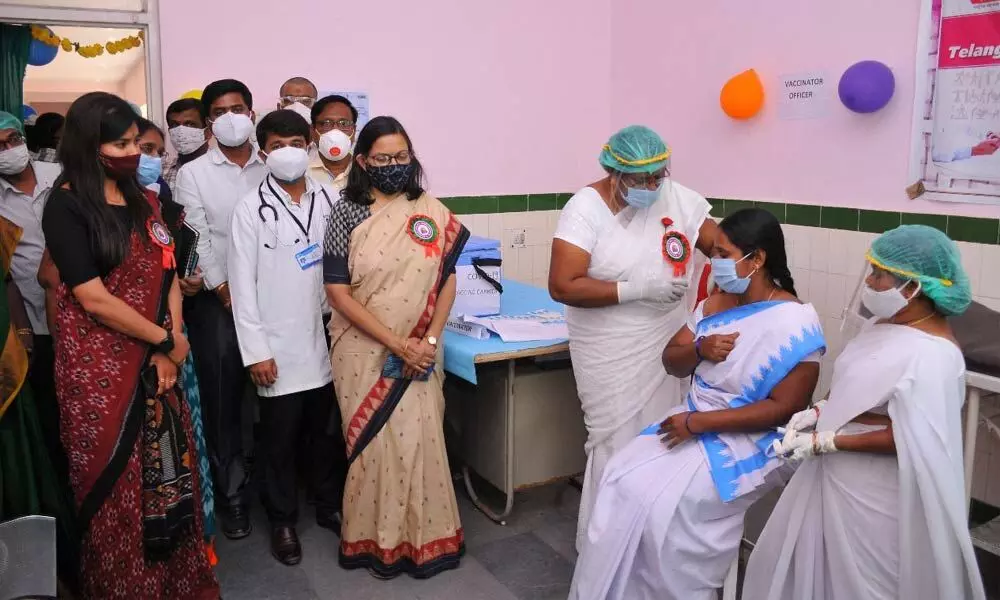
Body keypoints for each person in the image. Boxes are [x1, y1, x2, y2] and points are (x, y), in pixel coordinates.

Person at [569, 208, 824, 600]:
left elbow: (783, 410)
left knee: (667, 510)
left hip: (750, 437)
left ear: (756, 260)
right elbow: (671, 360)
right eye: (713, 254)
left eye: (723, 255)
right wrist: (700, 349)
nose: (714, 264)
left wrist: (699, 424)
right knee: (620, 477)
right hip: (690, 420)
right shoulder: (715, 305)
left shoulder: (796, 323)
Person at [743, 224, 987, 600]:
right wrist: (820, 410)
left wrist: (827, 442)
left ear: (915, 287)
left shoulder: (935, 356)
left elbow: (912, 437)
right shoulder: (880, 327)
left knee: (868, 582)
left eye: (879, 275)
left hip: (877, 493)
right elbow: (855, 385)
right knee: (820, 573)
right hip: (836, 477)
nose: (869, 282)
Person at [40, 91, 218, 599]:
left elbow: (167, 275)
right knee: (114, 485)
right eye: (118, 144)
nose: (131, 153)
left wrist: (171, 344)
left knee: (167, 472)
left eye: (134, 142)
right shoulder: (67, 204)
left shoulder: (148, 202)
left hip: (159, 358)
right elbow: (92, 297)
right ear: (89, 144)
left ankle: (176, 585)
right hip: (98, 372)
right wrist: (162, 338)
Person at [548, 125, 719, 549]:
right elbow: (563, 285)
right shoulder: (584, 209)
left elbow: (720, 243)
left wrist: (747, 262)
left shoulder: (676, 197)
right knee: (617, 441)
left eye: (658, 175)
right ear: (614, 172)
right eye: (640, 179)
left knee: (665, 435)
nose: (652, 185)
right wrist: (634, 289)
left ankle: (654, 542)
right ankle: (605, 548)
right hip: (609, 348)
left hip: (666, 338)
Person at [324, 116, 468, 579]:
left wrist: (426, 341)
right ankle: (374, 542)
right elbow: (337, 292)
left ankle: (428, 540)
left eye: (401, 157)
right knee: (374, 448)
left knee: (422, 443)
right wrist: (397, 344)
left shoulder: (432, 211)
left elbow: (447, 279)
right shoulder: (346, 211)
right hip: (363, 352)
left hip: (422, 350)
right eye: (383, 158)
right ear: (363, 161)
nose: (393, 165)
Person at [228, 109, 344, 565]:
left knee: (324, 432)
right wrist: (256, 351)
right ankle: (281, 520)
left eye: (297, 142)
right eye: (278, 145)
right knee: (278, 440)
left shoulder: (330, 197)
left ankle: (327, 504)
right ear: (263, 152)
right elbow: (241, 286)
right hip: (278, 345)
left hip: (329, 337)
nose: (289, 152)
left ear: (310, 145)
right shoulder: (249, 208)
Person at [175, 78, 267, 540]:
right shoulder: (193, 173)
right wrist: (226, 289)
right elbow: (197, 236)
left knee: (278, 395)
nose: (229, 117)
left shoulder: (272, 164)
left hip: (274, 299)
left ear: (251, 112)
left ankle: (277, 487)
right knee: (223, 398)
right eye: (218, 111)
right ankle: (231, 496)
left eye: (237, 108)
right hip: (218, 300)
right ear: (209, 121)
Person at [136, 116, 218, 552]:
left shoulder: (163, 209)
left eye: (152, 150)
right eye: (135, 147)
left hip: (174, 336)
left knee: (183, 438)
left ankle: (190, 541)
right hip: (125, 348)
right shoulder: (81, 207)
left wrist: (172, 333)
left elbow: (171, 272)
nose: (144, 158)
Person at [0, 213, 80, 596]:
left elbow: (8, 280)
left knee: (20, 477)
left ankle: (32, 581)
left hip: (6, 382)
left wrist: (23, 333)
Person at [0, 110, 66, 493]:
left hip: (83, 314)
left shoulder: (58, 176)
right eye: (0, 146)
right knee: (49, 414)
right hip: (33, 323)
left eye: (13, 140)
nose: (9, 150)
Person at [309, 94, 356, 194]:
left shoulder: (365, 169)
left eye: (344, 124)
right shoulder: (301, 171)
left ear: (354, 131)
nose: (335, 130)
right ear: (313, 130)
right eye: (326, 123)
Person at [163, 98, 211, 188]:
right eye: (175, 125)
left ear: (207, 132)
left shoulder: (222, 169)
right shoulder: (163, 171)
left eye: (190, 124)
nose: (181, 130)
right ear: (170, 132)